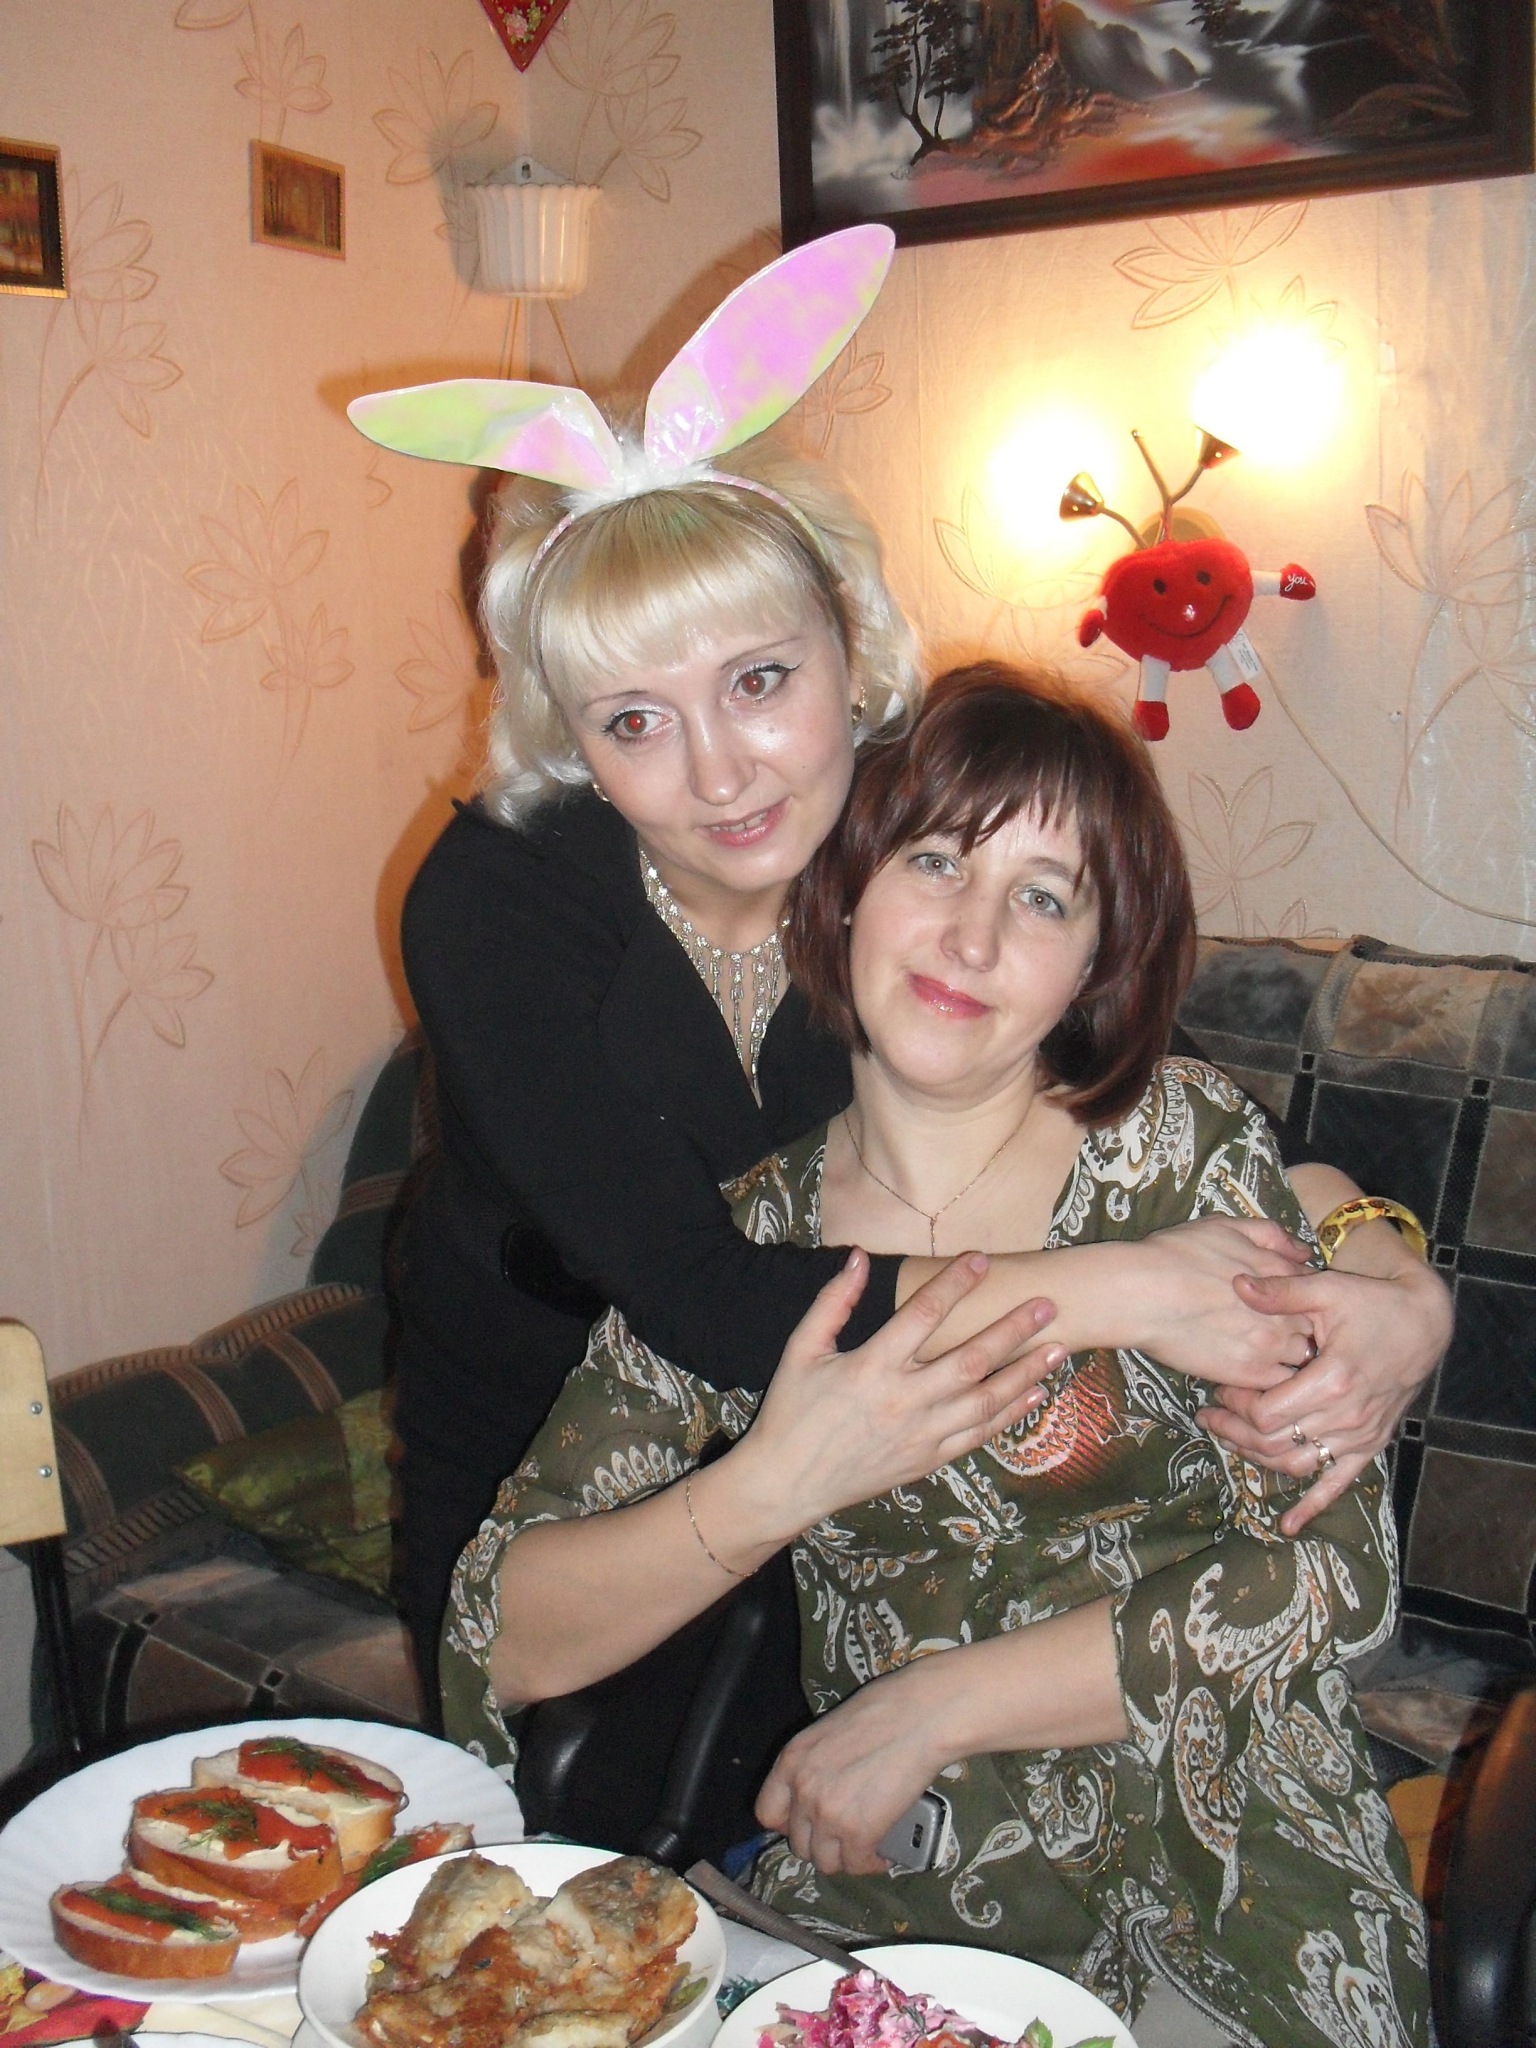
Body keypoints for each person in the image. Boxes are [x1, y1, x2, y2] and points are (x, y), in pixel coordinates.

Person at [348, 228, 1451, 1699]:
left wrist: (1390, 1270)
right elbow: (702, 1295)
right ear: (567, 733)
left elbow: (1144, 1070)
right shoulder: (493, 905)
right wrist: (1122, 1293)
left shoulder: (895, 828)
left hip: (849, 1493)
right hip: (553, 1466)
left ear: (850, 646)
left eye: (759, 681)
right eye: (634, 720)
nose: (723, 775)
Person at [441, 666, 1430, 2048]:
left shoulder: (1178, 1152)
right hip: (906, 1885)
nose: (971, 937)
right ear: (847, 886)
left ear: (1094, 963)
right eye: (937, 860)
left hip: (1235, 1858)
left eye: (1044, 898)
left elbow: (1338, 1575)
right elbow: (501, 1634)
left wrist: (933, 1707)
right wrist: (773, 1486)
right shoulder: (755, 1249)